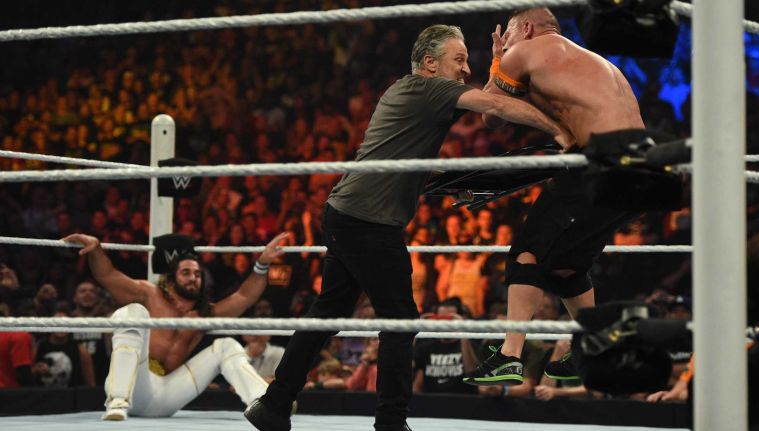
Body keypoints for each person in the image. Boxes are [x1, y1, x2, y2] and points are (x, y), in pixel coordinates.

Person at [245, 24, 571, 431]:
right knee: (400, 320)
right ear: (430, 64)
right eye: (459, 60)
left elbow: (485, 111)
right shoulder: (425, 89)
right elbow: (499, 109)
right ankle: (391, 423)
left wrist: (497, 65)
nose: (465, 69)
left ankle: (274, 404)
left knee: (329, 310)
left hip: (348, 213)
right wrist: (558, 128)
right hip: (367, 221)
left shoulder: (413, 93)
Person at [463, 8, 647, 386]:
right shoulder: (591, 61)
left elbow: (491, 114)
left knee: (526, 253)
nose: (508, 43)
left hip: (602, 163)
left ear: (526, 29)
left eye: (510, 36)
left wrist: (499, 57)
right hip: (644, 172)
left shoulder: (524, 50)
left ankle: (509, 355)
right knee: (567, 266)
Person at [62, 232, 289, 421]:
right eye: (186, 272)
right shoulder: (148, 294)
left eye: (198, 274)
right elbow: (108, 275)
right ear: (171, 278)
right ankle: (117, 400)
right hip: (135, 386)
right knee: (132, 312)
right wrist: (96, 251)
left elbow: (244, 297)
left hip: (167, 397)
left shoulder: (203, 315)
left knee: (226, 345)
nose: (193, 278)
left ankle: (265, 403)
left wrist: (262, 264)